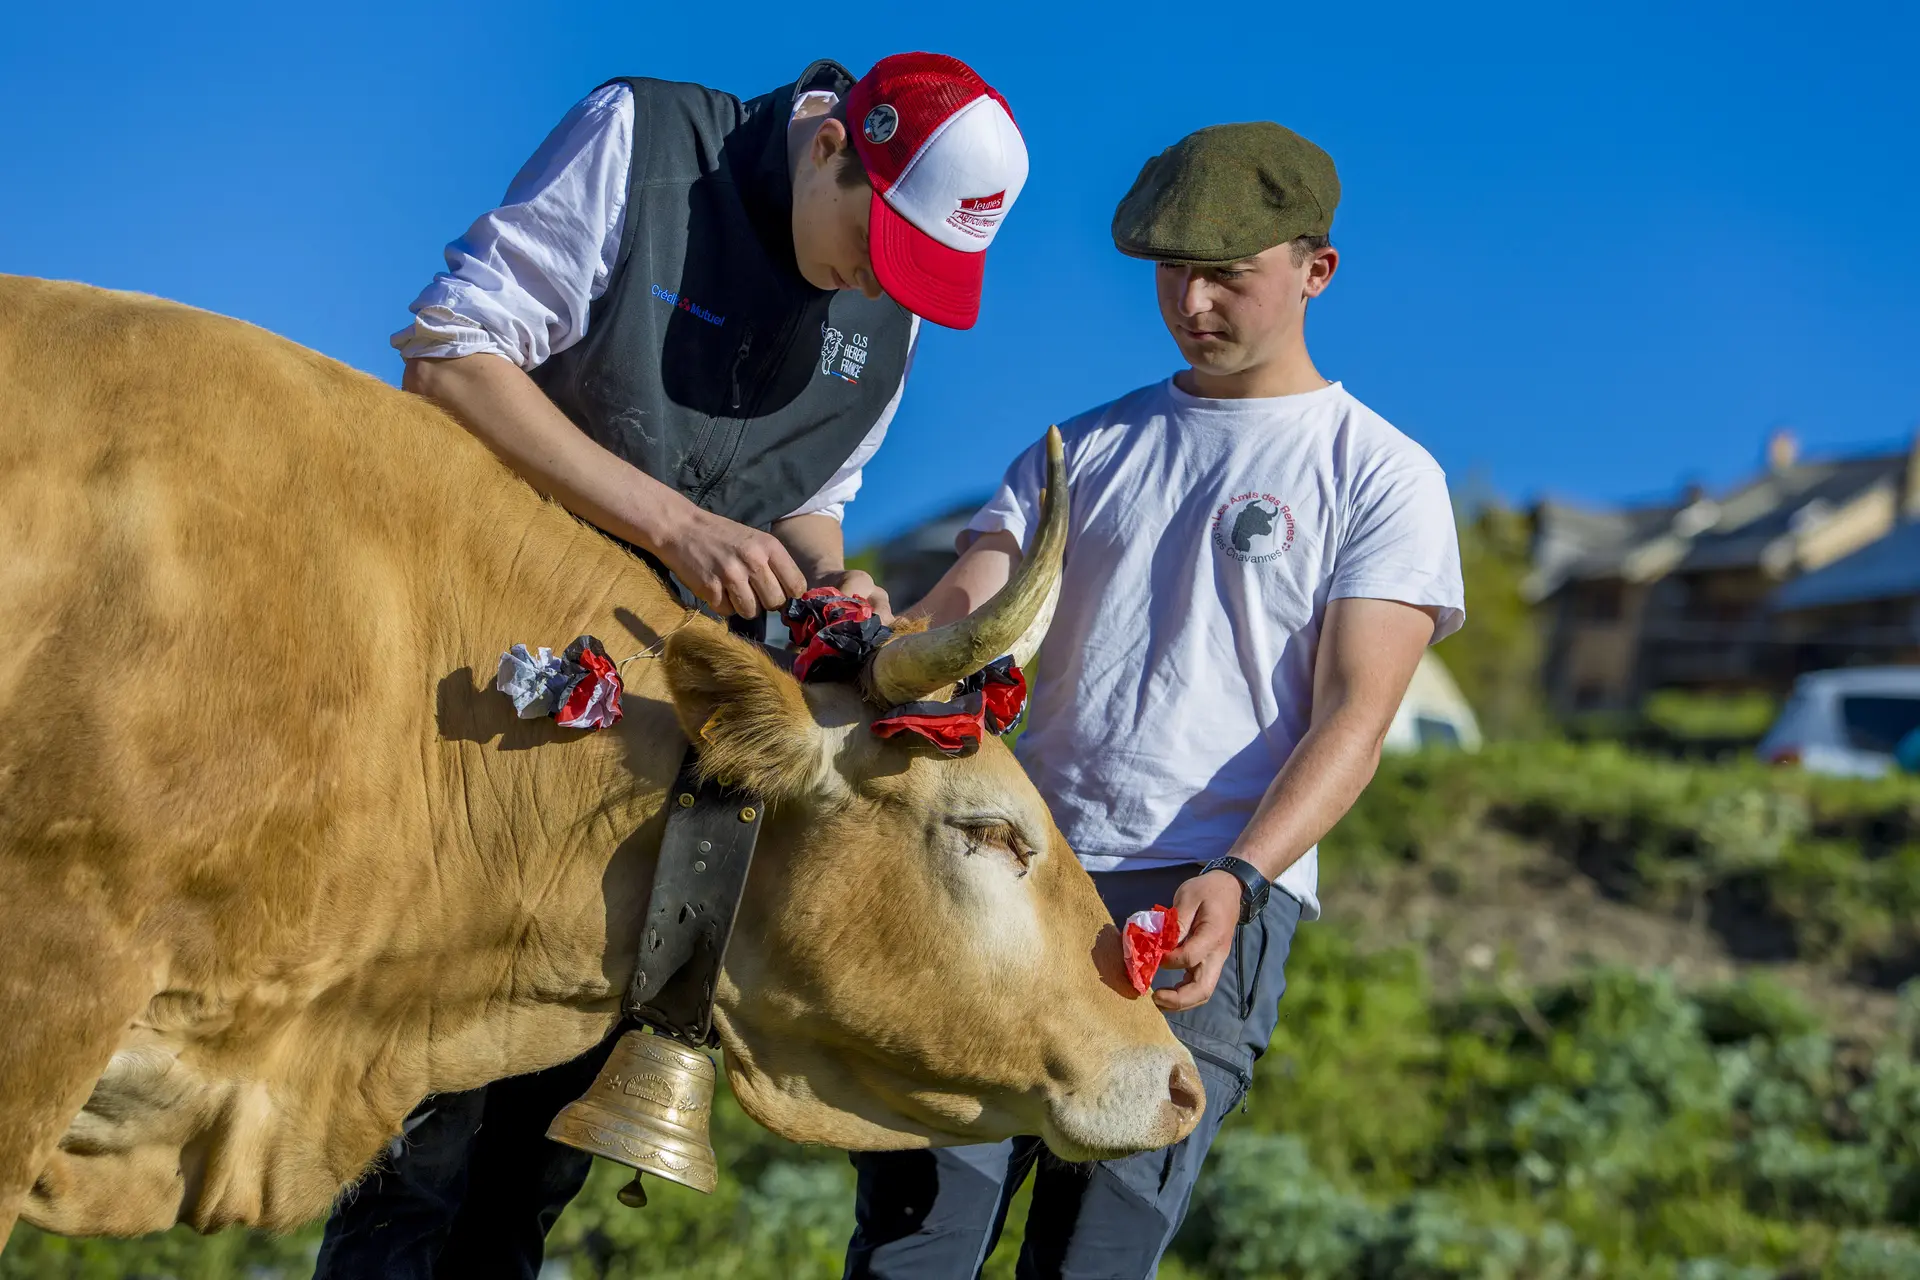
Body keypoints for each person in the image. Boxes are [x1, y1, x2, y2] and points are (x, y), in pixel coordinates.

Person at [314, 52, 1029, 1280]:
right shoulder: (643, 144)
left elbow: (813, 503)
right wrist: (675, 526)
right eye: (882, 240)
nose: (883, 281)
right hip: (477, 698)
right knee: (422, 1119)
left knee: (549, 1125)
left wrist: (832, 579)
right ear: (831, 149)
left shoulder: (892, 309)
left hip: (659, 753)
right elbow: (448, 359)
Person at [843, 122, 1466, 1279]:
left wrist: (1238, 878)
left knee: (1091, 1257)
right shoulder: (1081, 449)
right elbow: (958, 614)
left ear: (1315, 270)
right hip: (1009, 881)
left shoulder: (1382, 472)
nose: (1194, 301)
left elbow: (1355, 721)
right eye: (1174, 270)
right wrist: (873, 629)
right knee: (914, 1245)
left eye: (1230, 273)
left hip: (1198, 900)